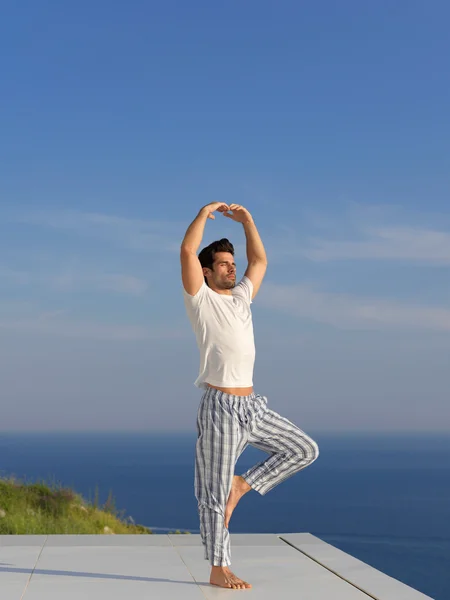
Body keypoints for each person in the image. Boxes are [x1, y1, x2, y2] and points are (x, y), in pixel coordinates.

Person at [180, 202, 319, 590]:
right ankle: (217, 568)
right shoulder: (201, 300)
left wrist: (248, 222)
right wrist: (204, 214)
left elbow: (260, 260)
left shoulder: (242, 298)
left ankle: (243, 485)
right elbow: (186, 252)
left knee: (303, 449)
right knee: (212, 494)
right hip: (220, 409)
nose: (231, 267)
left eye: (231, 262)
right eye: (222, 264)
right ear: (206, 272)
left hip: (252, 406)